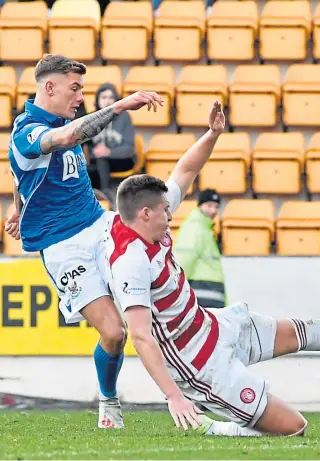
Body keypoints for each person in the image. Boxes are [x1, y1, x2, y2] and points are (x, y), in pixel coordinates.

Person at [105, 102, 320, 437]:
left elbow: (186, 171)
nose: (171, 215)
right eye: (165, 210)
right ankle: (212, 429)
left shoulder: (147, 222)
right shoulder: (131, 261)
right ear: (145, 213)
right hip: (200, 365)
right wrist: (175, 397)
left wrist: (212, 134)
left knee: (298, 331)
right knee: (294, 428)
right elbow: (141, 337)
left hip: (214, 325)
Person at [5, 53, 164, 429]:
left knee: (158, 248)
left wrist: (16, 208)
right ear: (50, 86)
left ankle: (205, 372)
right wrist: (121, 106)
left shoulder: (60, 119)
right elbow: (66, 138)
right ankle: (108, 400)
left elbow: (17, 174)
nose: (79, 97)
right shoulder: (29, 129)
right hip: (63, 244)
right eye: (75, 88)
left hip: (98, 222)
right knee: (112, 333)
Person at [174, 189, 226, 308]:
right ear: (200, 206)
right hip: (203, 294)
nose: (213, 210)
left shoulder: (205, 228)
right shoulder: (195, 227)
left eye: (216, 207)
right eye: (209, 205)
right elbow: (184, 261)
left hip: (208, 294)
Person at [87, 83, 136, 202]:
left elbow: (129, 149)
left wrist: (108, 152)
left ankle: (105, 194)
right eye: (103, 97)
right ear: (97, 100)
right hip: (97, 161)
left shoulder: (124, 117)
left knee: (101, 159)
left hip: (123, 159)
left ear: (116, 100)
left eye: (111, 97)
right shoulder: (91, 118)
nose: (107, 101)